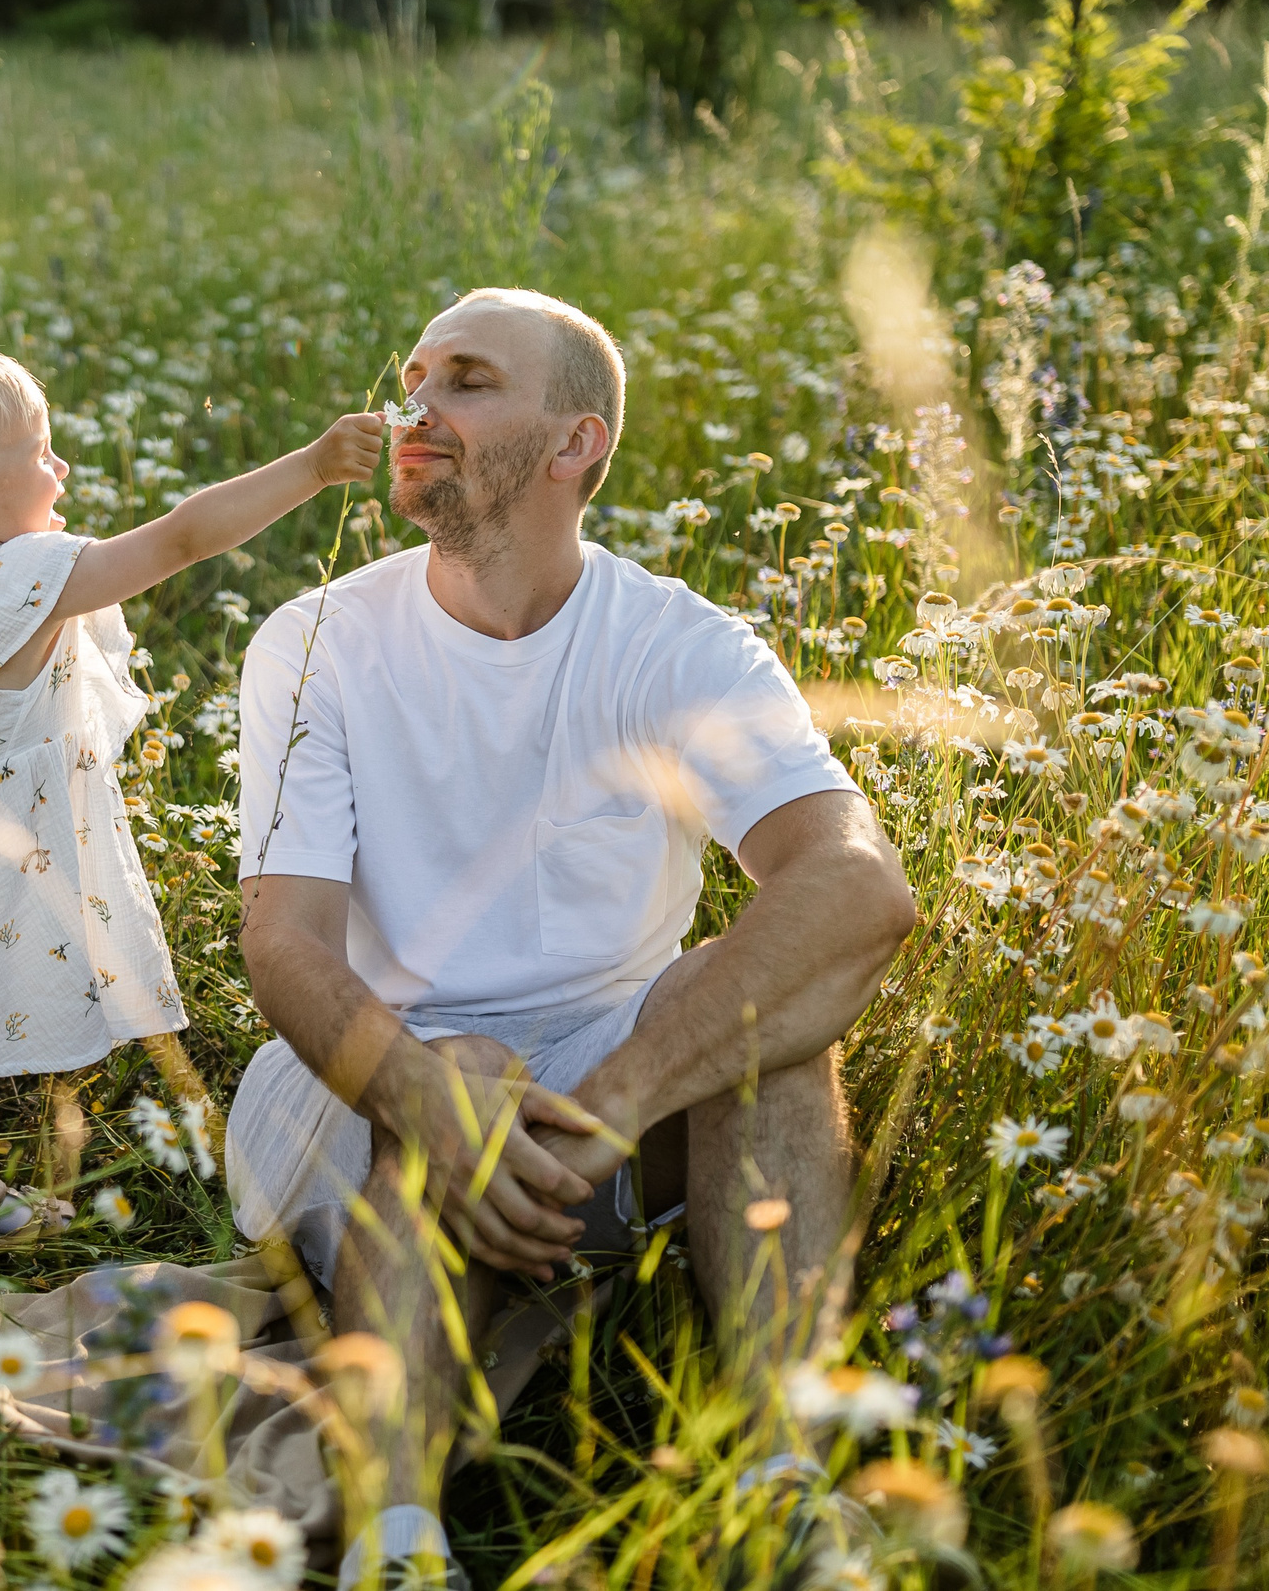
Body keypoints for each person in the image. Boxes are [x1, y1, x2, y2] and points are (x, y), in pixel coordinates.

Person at [224, 289, 917, 1587]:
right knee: (468, 1068)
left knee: (759, 1024)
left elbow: (858, 885)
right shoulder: (317, 640)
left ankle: (783, 1493)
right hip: (354, 1081)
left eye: (467, 380)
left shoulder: (675, 644)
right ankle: (395, 1541)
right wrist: (424, 1095)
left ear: (575, 442)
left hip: (600, 1094)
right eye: (414, 375)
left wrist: (617, 1102)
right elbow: (286, 942)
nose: (415, 405)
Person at [0, 343, 383, 1247]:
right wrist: (314, 466)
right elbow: (182, 538)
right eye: (39, 450)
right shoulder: (27, 575)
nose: (60, 466)